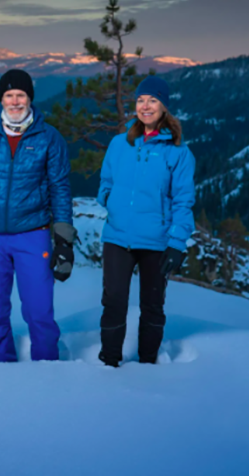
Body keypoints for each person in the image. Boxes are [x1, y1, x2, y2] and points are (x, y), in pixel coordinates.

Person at [0, 69, 75, 363]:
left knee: (39, 310)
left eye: (21, 95)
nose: (15, 101)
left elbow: (60, 187)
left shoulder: (48, 137)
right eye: (9, 95)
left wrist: (64, 240)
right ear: (1, 99)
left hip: (33, 233)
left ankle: (47, 369)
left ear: (30, 98)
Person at [96, 76, 195, 367]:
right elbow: (106, 180)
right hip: (117, 237)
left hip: (156, 241)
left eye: (153, 100)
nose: (145, 106)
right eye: (140, 100)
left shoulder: (178, 152)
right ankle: (109, 362)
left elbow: (183, 200)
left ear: (164, 106)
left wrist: (177, 243)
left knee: (152, 306)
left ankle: (148, 363)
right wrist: (109, 198)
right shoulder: (119, 143)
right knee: (113, 302)